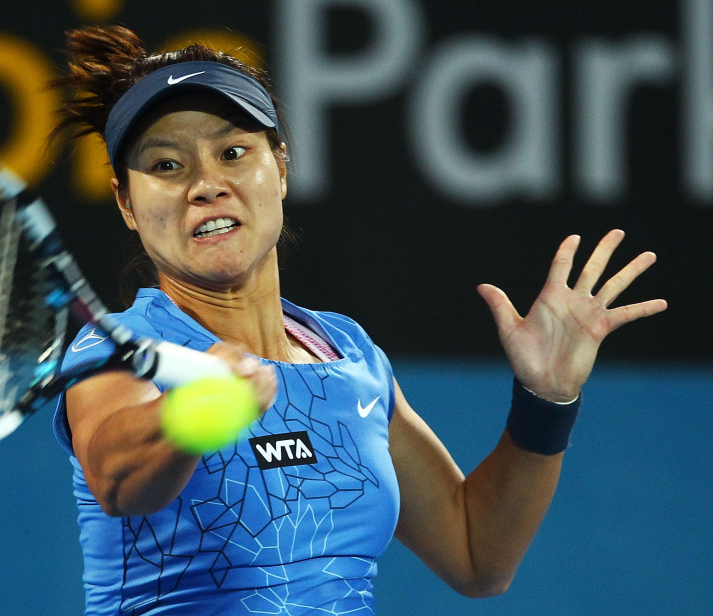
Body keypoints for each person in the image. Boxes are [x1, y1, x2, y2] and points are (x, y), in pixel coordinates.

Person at [48, 25, 667, 615]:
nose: (206, 184)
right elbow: (118, 477)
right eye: (166, 166)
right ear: (127, 204)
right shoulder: (119, 349)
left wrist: (546, 400)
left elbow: (478, 553)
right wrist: (195, 412)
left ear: (281, 169)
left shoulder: (345, 351)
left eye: (233, 152)